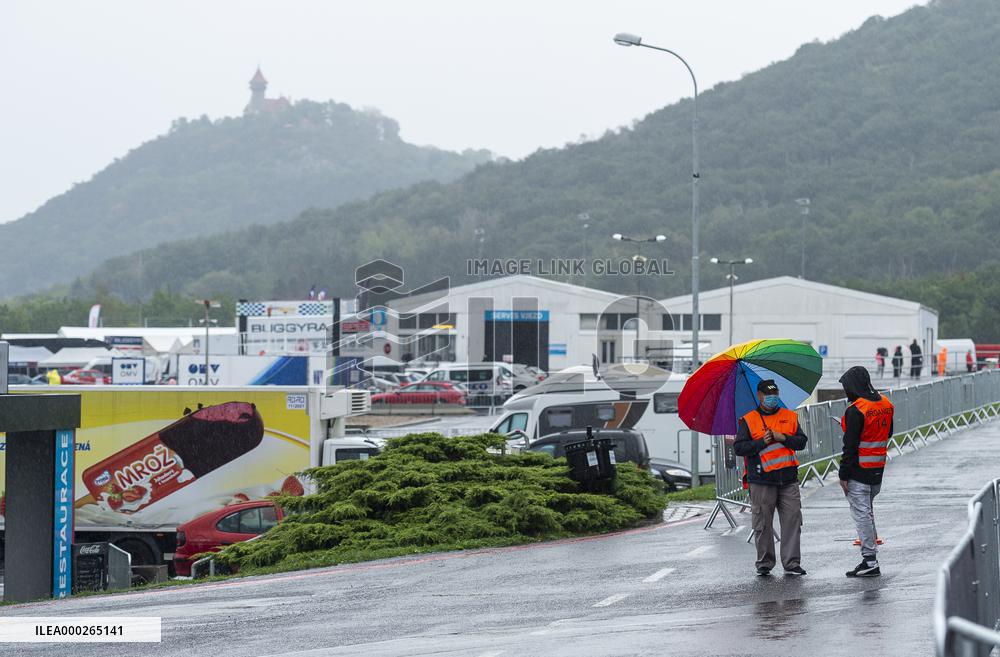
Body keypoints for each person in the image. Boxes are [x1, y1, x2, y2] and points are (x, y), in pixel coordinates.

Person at [733, 379, 809, 577]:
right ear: (759, 395)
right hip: (761, 479)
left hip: (788, 478)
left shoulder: (789, 416)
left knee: (792, 520)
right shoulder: (749, 420)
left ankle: (792, 563)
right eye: (768, 394)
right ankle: (765, 563)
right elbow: (740, 448)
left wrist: (783, 437)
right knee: (763, 523)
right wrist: (761, 442)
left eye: (775, 393)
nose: (772, 397)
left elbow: (801, 442)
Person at [838, 366, 893, 577]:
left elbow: (850, 447)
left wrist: (843, 475)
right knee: (867, 513)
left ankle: (870, 560)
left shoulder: (856, 410)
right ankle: (870, 556)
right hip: (877, 469)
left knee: (862, 516)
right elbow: (888, 432)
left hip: (858, 472)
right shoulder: (886, 404)